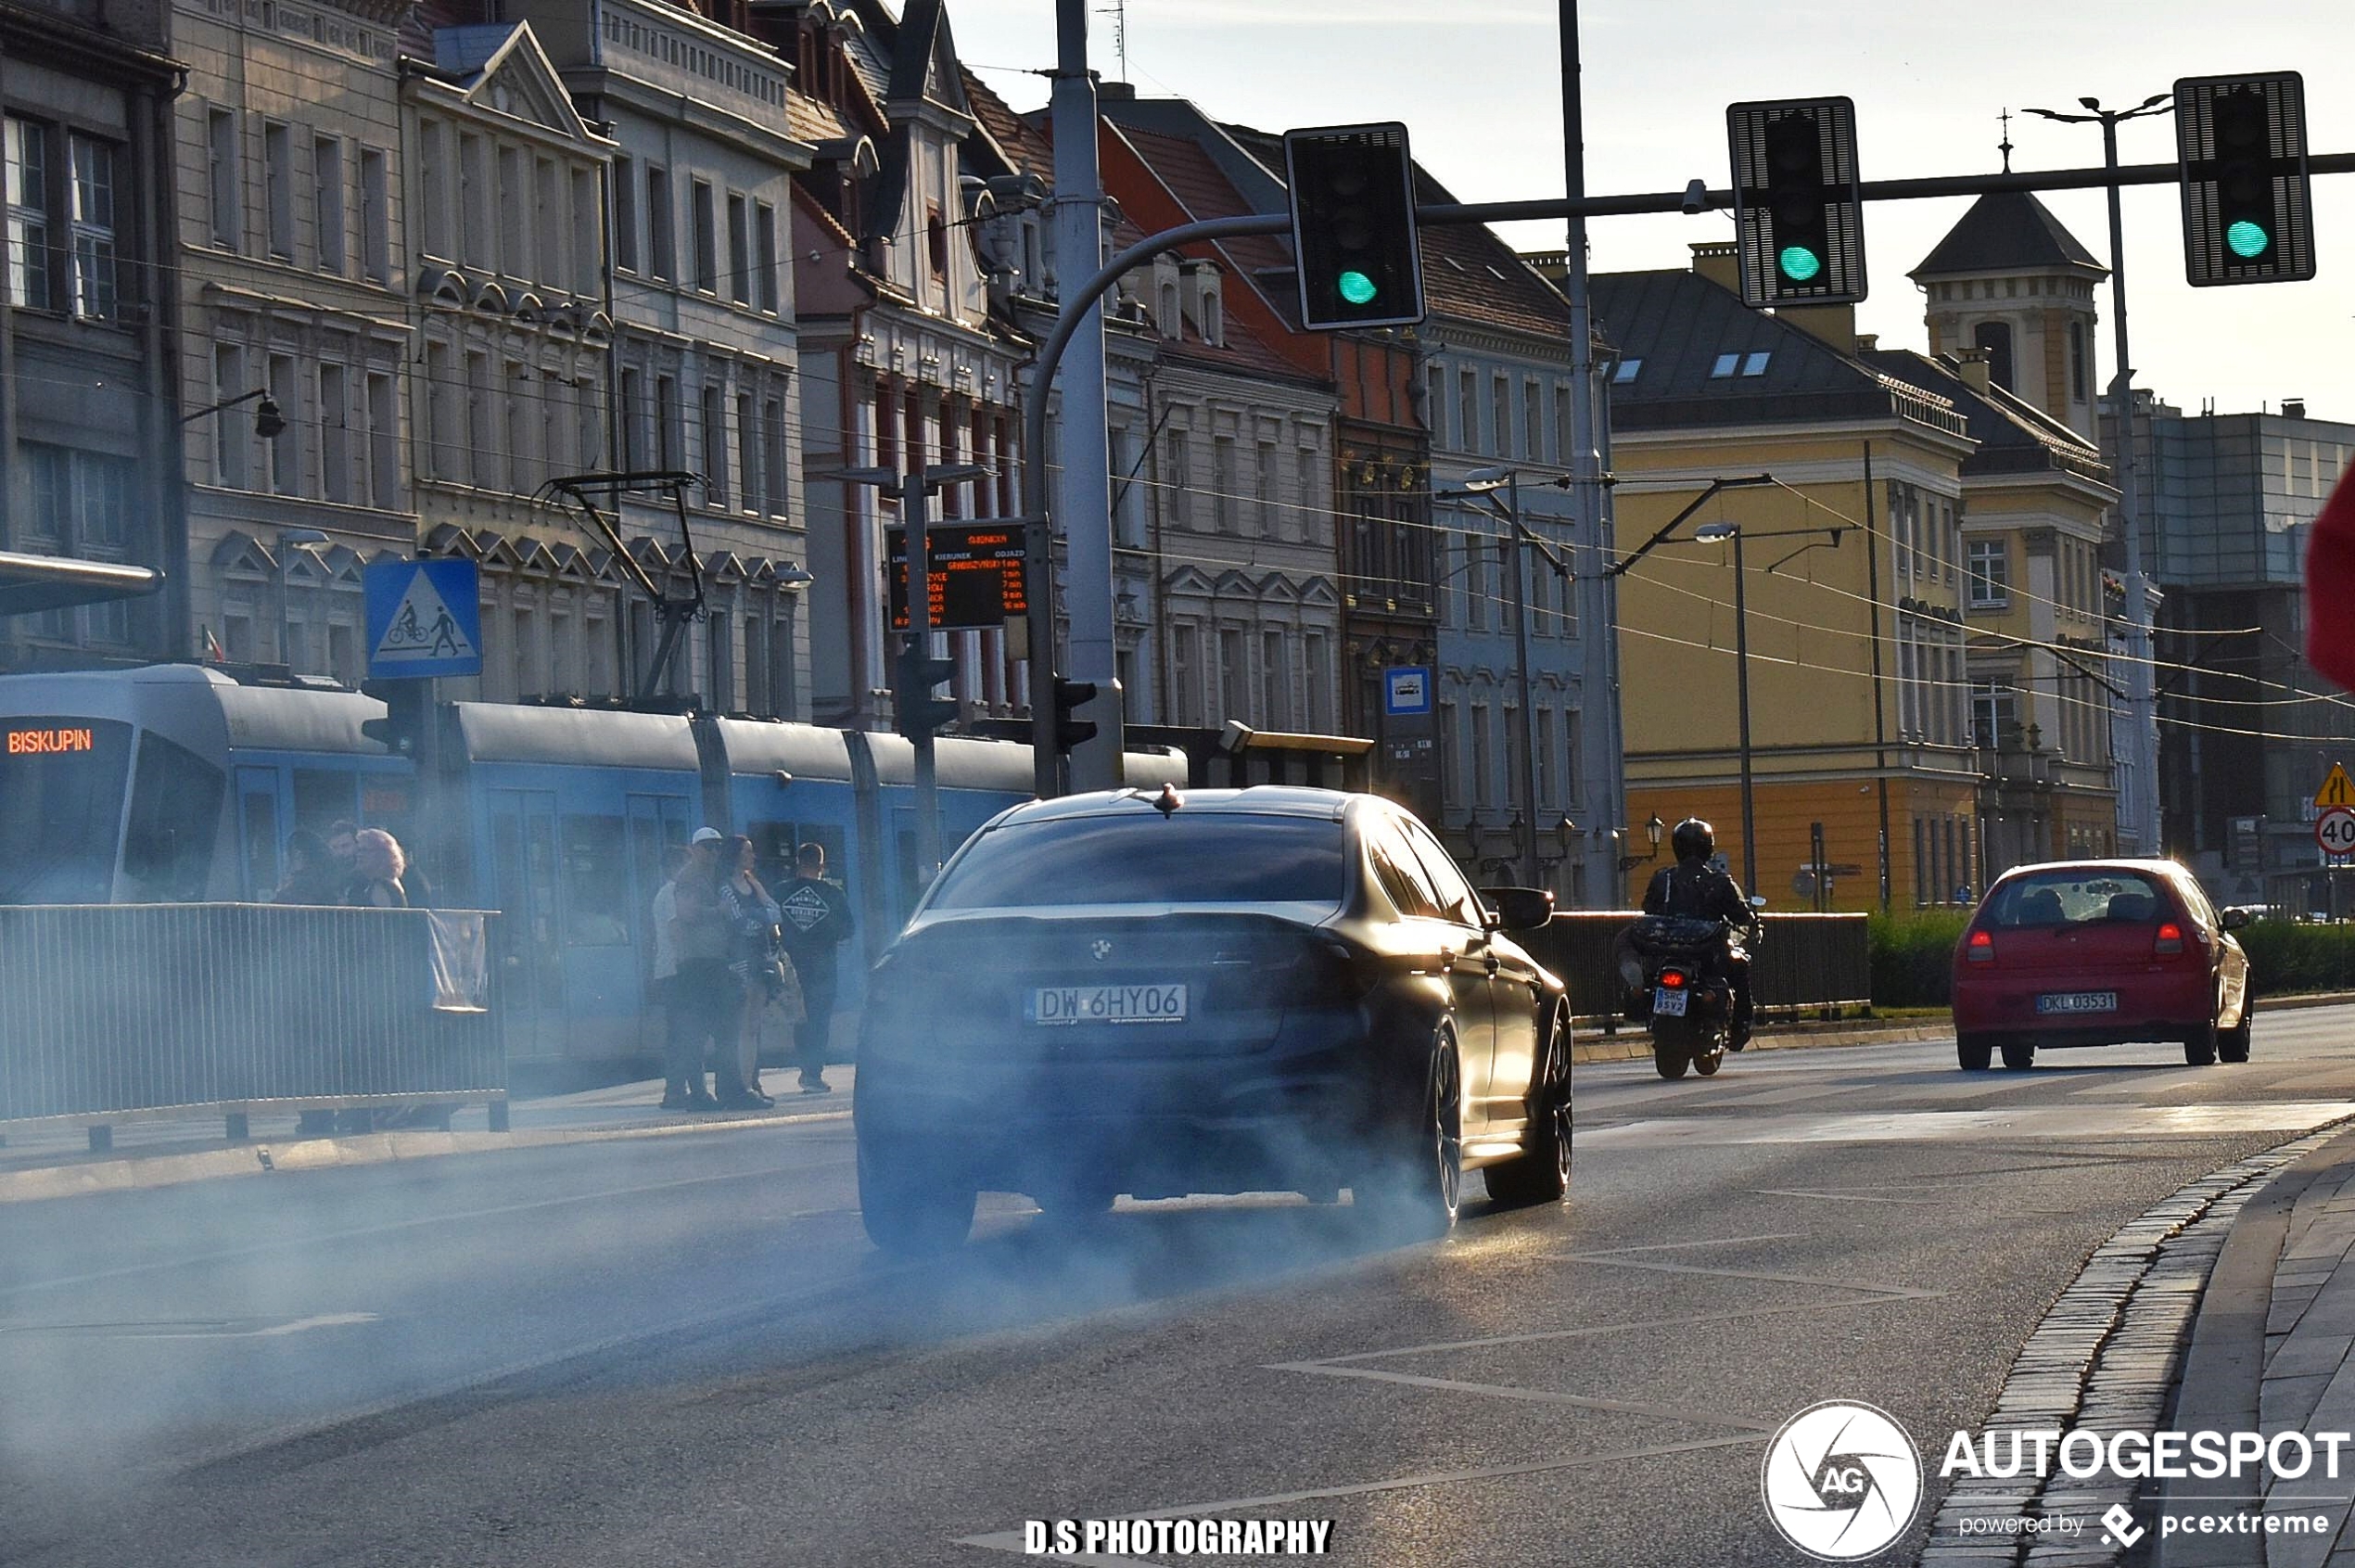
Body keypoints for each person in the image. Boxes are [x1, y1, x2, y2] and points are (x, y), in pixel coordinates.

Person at [1640, 817, 1761, 1049]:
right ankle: (1740, 1027)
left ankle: (1650, 1012)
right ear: (1708, 846)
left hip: (1666, 950)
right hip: (1706, 953)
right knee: (1739, 966)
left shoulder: (1662, 878)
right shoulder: (1719, 881)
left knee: (1647, 975)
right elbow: (1741, 915)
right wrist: (1751, 925)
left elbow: (1648, 909)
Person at [775, 842, 854, 1094]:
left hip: (792, 967)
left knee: (801, 1019)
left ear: (798, 862)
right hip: (823, 967)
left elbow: (772, 924)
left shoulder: (781, 892)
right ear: (822, 865)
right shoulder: (834, 895)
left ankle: (805, 1069)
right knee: (819, 1020)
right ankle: (812, 1074)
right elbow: (848, 930)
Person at [668, 828, 736, 1109]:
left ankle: (721, 1091)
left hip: (712, 961)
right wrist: (718, 912)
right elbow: (687, 914)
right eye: (708, 847)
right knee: (695, 1032)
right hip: (697, 964)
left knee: (719, 1028)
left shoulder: (711, 876)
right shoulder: (689, 878)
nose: (714, 852)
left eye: (718, 847)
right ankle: (698, 1094)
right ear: (695, 848)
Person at [716, 835, 786, 1109]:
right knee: (742, 1026)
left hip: (760, 960)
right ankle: (742, 1084)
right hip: (738, 963)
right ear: (735, 855)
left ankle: (751, 1082)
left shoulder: (753, 884)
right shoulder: (725, 888)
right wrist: (761, 919)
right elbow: (739, 922)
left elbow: (775, 912)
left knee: (753, 1027)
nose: (752, 857)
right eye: (747, 852)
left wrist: (758, 918)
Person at [273, 828, 344, 905]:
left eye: (286, 851)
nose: (284, 856)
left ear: (298, 854)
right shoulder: (329, 882)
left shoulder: (294, 890)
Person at [347, 828, 409, 909]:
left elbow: (385, 918)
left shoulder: (383, 885)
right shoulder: (379, 882)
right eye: (359, 850)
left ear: (383, 854)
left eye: (365, 850)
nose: (359, 855)